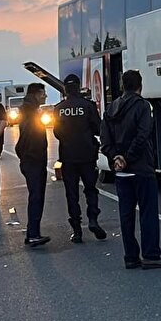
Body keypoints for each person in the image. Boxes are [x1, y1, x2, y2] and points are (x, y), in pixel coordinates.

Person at [102, 70, 161, 269]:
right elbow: (143, 135)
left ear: (123, 86)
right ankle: (151, 255)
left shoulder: (110, 108)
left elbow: (105, 139)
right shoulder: (143, 106)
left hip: (121, 171)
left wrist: (115, 157)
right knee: (148, 212)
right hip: (141, 167)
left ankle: (130, 256)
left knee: (126, 214)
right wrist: (128, 157)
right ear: (140, 85)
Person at [53, 74, 106, 243]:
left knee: (72, 193)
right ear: (79, 87)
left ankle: (76, 230)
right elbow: (98, 129)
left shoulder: (59, 108)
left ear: (65, 90)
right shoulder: (88, 105)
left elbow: (57, 133)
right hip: (87, 154)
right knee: (90, 189)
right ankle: (93, 219)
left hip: (68, 156)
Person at [16, 83, 51, 247]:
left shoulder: (29, 110)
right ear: (36, 94)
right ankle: (33, 234)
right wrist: (34, 156)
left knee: (36, 196)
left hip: (31, 159)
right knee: (36, 196)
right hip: (33, 160)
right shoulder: (31, 113)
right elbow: (28, 139)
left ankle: (33, 232)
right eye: (43, 93)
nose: (45, 96)